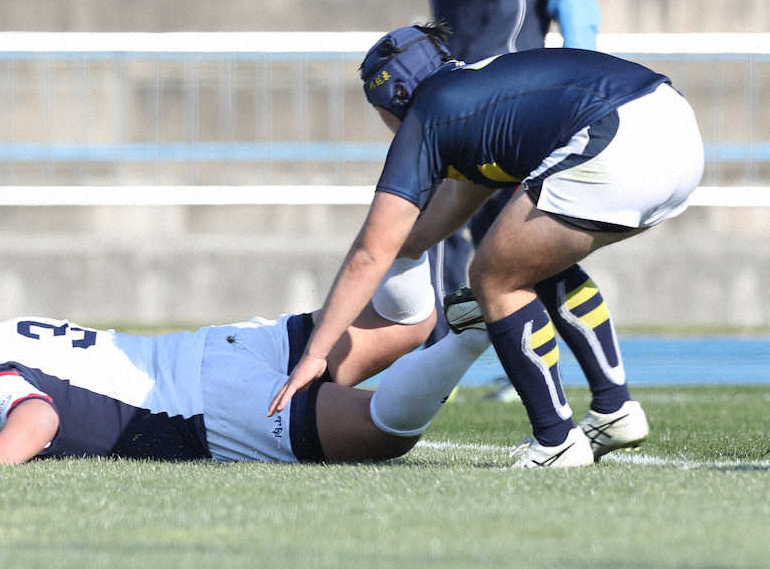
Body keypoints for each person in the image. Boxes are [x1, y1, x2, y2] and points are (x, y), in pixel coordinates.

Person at [270, 24, 704, 468]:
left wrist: (316, 355)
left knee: (493, 278)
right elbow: (463, 193)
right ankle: (615, 409)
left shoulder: (426, 115)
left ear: (396, 95)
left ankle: (556, 441)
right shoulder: (475, 85)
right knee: (528, 261)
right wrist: (408, 248)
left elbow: (368, 253)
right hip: (675, 127)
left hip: (619, 141)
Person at [370, 0, 601, 347]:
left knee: (520, 242)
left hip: (515, 100)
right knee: (438, 232)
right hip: (453, 96)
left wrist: (582, 85)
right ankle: (435, 359)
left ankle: (603, 385)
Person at [0, 270, 466, 464]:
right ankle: (413, 237)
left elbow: (36, 419)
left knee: (384, 432)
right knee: (407, 321)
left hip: (205, 406)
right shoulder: (5, 332)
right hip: (219, 345)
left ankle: (472, 337)